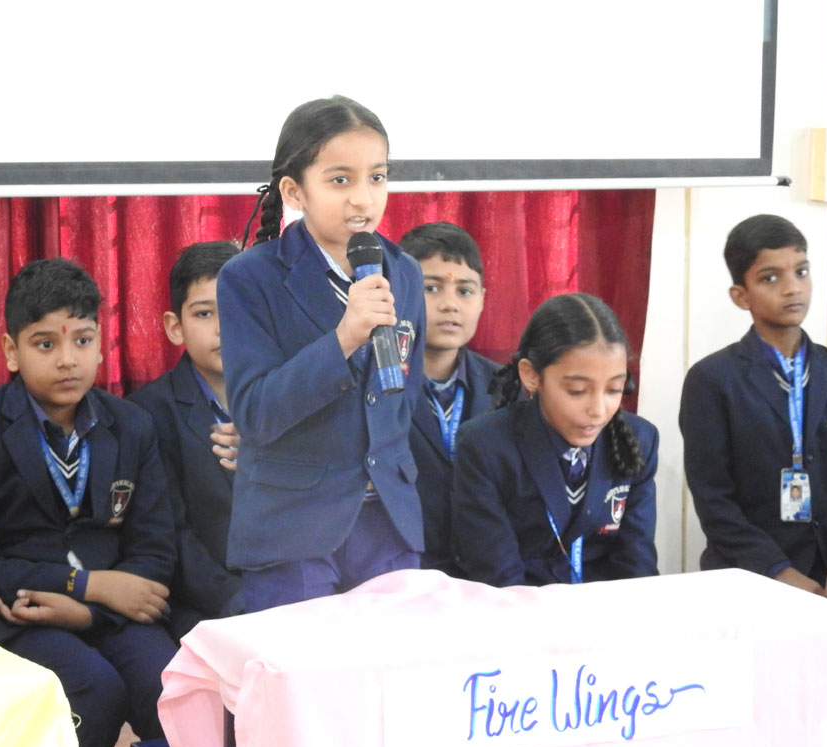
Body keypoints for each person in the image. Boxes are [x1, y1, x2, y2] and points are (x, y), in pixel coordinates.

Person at [0, 258, 179, 747]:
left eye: (82, 340)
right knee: (93, 690)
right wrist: (85, 585)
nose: (67, 359)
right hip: (10, 614)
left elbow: (153, 553)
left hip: (109, 614)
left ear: (100, 344)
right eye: (45, 344)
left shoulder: (131, 426)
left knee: (176, 690)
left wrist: (87, 612)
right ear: (11, 351)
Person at [217, 95, 425, 611]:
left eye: (377, 177)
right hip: (293, 529)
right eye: (340, 180)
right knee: (301, 662)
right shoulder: (250, 278)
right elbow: (255, 413)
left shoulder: (404, 272)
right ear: (295, 191)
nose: (363, 199)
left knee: (393, 659)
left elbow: (405, 399)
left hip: (388, 524)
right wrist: (344, 338)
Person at [679, 214, 827, 656]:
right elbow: (715, 502)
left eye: (801, 272)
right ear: (741, 295)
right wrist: (780, 573)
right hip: (749, 573)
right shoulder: (712, 380)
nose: (793, 288)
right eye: (770, 278)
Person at [451, 292, 658, 586]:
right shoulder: (485, 447)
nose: (598, 410)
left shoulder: (640, 440)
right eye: (577, 391)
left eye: (614, 389)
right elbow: (498, 573)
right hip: (519, 605)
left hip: (608, 607)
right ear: (531, 375)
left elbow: (637, 565)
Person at [130, 240, 243, 637]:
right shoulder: (148, 414)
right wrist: (239, 601)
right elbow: (171, 535)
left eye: (237, 307)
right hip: (203, 605)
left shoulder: (285, 399)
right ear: (175, 327)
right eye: (204, 313)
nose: (223, 327)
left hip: (291, 590)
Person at [399, 222, 499, 576]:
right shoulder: (370, 385)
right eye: (431, 288)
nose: (450, 305)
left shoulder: (507, 388)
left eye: (465, 291)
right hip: (401, 575)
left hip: (490, 573)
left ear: (483, 298)